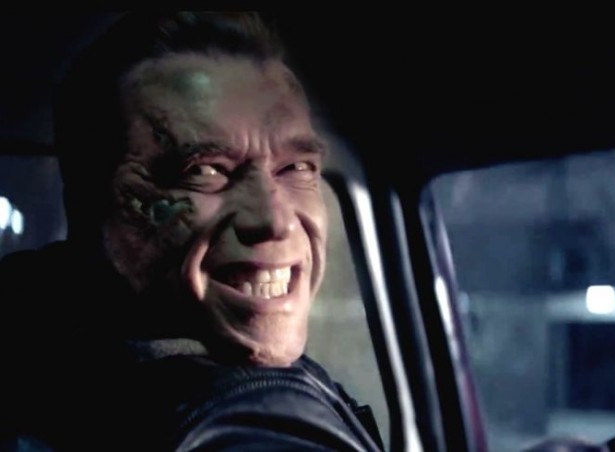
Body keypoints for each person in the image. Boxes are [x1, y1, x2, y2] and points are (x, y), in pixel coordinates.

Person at [0, 12, 381, 451]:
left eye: (296, 167)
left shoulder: (30, 317)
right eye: (203, 170)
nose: (274, 221)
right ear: (88, 205)